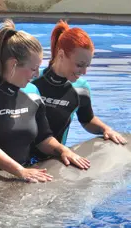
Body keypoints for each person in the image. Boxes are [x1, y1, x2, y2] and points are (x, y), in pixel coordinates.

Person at [0, 19, 91, 184]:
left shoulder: (32, 92)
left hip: (22, 175)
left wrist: (63, 150)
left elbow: (43, 138)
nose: (37, 74)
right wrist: (20, 171)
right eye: (33, 68)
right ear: (14, 64)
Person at [31, 20, 126, 161]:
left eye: (87, 66)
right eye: (80, 65)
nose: (84, 71)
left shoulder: (80, 89)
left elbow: (87, 120)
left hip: (54, 159)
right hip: (23, 161)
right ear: (61, 55)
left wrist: (106, 129)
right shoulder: (32, 83)